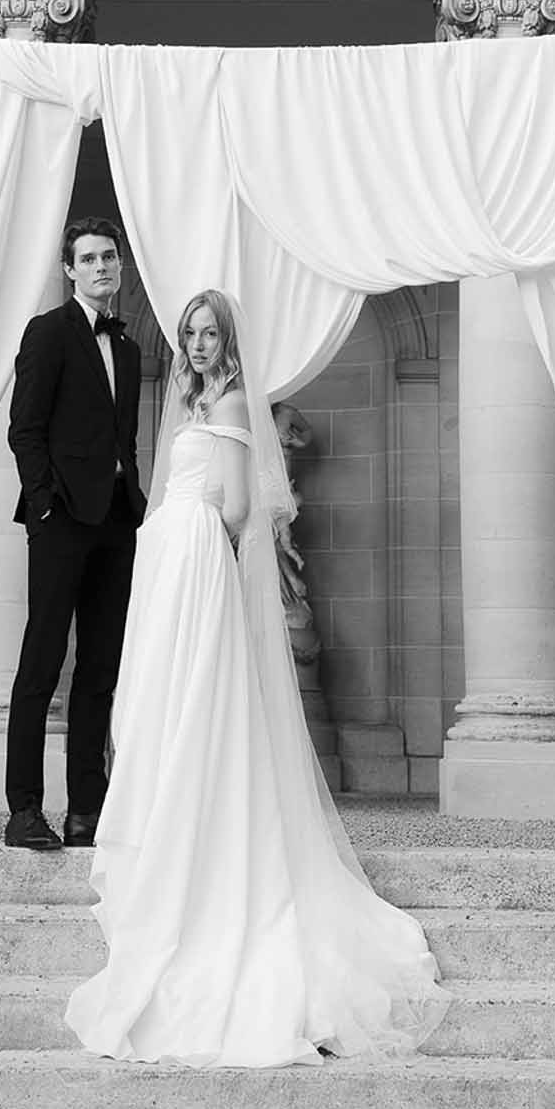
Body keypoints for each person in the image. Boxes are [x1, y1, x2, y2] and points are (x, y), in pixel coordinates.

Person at [65, 287, 451, 1066]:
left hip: (200, 556)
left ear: (228, 341)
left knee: (200, 697)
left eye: (210, 334)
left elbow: (241, 507)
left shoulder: (236, 401)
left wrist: (195, 541)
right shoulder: (191, 398)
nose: (199, 344)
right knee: (158, 702)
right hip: (169, 557)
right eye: (190, 334)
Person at [5, 218, 146, 852]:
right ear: (69, 269)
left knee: (100, 668)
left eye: (109, 257)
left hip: (116, 523)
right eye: (87, 259)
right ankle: (24, 809)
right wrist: (43, 508)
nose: (100, 267)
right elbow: (24, 428)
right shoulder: (49, 332)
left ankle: (86, 808)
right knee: (41, 662)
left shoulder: (132, 347)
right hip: (60, 522)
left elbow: (122, 440)